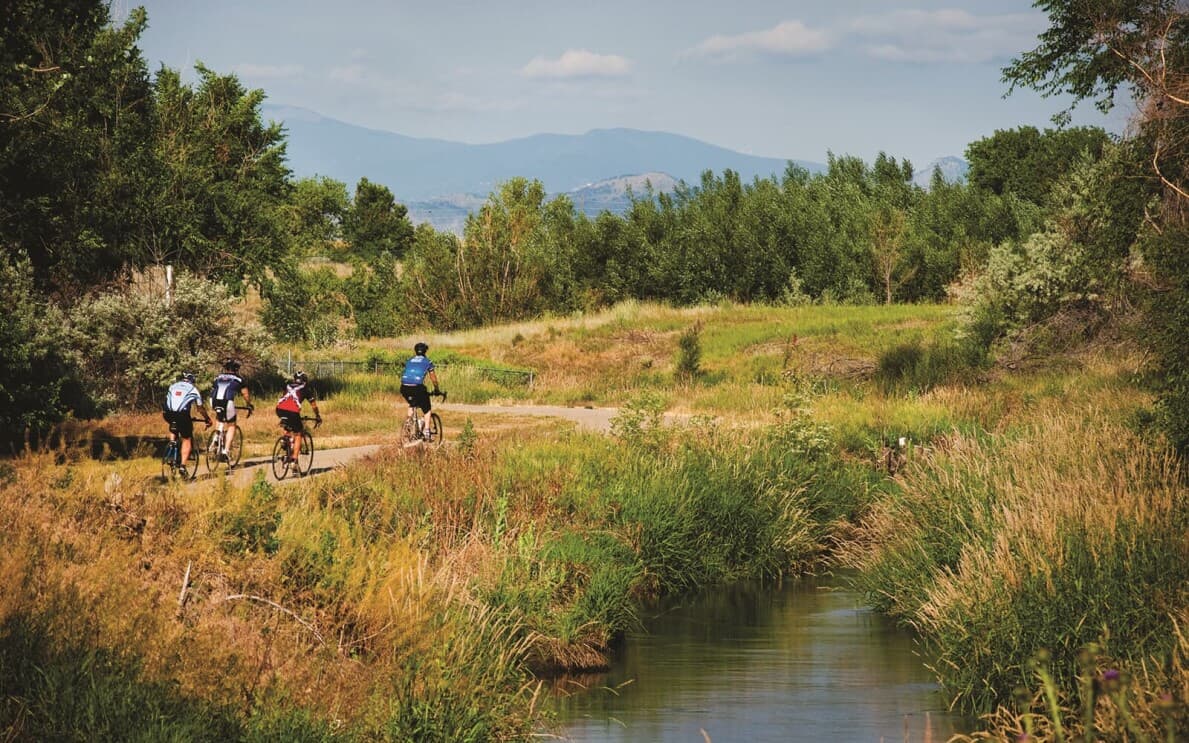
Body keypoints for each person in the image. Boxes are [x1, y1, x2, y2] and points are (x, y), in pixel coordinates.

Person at [163, 372, 211, 467]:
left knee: (174, 425)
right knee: (186, 438)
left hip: (167, 413)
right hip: (182, 415)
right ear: (192, 381)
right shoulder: (193, 389)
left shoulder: (173, 386)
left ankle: (172, 443)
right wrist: (207, 419)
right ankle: (183, 466)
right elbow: (200, 408)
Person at [210, 357, 253, 460]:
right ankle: (226, 450)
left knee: (219, 417)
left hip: (213, 400)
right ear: (236, 369)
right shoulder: (239, 379)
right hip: (227, 401)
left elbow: (214, 389)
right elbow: (245, 394)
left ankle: (216, 437)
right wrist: (249, 404)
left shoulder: (218, 377)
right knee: (231, 425)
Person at [275, 369, 321, 462]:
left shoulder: (288, 385)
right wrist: (317, 416)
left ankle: (285, 440)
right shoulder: (306, 389)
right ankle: (294, 460)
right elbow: (314, 405)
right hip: (292, 411)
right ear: (305, 380)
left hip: (279, 409)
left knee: (287, 425)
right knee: (298, 433)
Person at [400, 342, 441, 439]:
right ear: (425, 351)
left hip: (404, 386)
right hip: (417, 387)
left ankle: (408, 422)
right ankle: (426, 430)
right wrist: (437, 389)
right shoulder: (428, 362)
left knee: (412, 403)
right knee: (427, 409)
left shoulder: (409, 361)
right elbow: (433, 378)